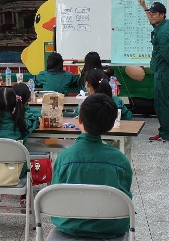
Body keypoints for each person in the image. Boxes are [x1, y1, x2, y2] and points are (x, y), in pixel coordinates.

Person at [51, 93, 133, 239]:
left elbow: (56, 196)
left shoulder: (64, 158)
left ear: (80, 119)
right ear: (110, 124)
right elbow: (125, 197)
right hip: (110, 229)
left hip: (69, 226)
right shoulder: (120, 160)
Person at [0, 87, 39, 211]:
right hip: (16, 170)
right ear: (17, 104)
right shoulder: (22, 123)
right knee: (24, 165)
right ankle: (24, 196)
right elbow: (35, 120)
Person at [137, 0, 169, 142]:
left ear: (162, 14)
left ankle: (166, 133)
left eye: (154, 14)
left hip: (164, 70)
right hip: (168, 70)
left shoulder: (162, 31)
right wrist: (145, 7)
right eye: (150, 14)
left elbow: (166, 53)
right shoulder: (166, 24)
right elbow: (151, 20)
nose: (151, 16)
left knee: (161, 102)